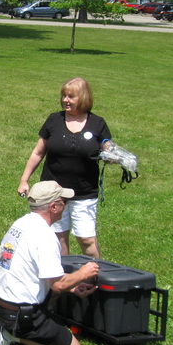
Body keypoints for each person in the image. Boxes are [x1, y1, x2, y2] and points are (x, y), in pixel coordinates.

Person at [0, 181, 100, 345]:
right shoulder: (45, 237)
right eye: (64, 202)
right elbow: (57, 285)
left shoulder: (22, 223)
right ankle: (10, 334)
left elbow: (34, 271)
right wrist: (82, 274)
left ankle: (14, 327)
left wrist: (72, 287)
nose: (65, 206)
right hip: (18, 312)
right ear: (53, 207)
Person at [17, 77, 111, 258]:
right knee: (57, 238)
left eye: (71, 97)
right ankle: (62, 274)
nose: (66, 100)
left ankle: (96, 272)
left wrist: (113, 157)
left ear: (83, 98)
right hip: (54, 192)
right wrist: (24, 180)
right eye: (64, 96)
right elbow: (38, 152)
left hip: (84, 192)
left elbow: (107, 150)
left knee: (86, 239)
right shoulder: (54, 120)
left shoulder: (97, 123)